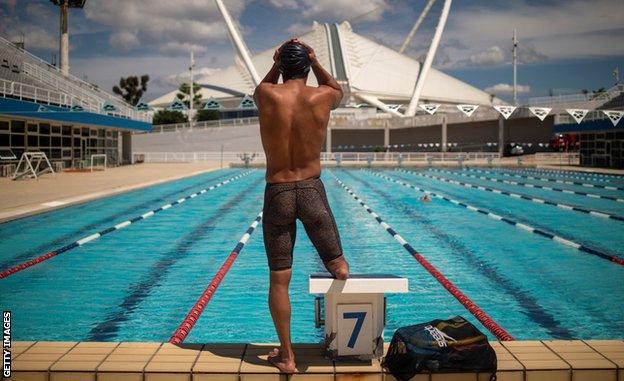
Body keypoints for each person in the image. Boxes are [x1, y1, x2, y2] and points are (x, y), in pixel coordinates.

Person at [253, 39, 350, 373]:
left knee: (279, 281)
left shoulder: (267, 95)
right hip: (311, 191)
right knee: (339, 268)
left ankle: (288, 356)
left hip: (277, 192)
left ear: (280, 65)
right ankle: (339, 321)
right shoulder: (322, 96)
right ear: (308, 65)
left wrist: (278, 59)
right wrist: (315, 60)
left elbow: (263, 84)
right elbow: (336, 88)